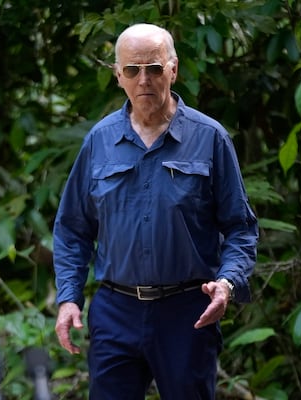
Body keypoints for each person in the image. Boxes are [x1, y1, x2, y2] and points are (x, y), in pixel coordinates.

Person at [53, 23, 258, 400]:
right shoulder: (100, 140)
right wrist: (68, 298)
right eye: (132, 70)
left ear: (173, 69)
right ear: (119, 76)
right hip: (115, 310)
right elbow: (72, 229)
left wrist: (226, 284)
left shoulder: (209, 138)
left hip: (187, 312)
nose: (143, 79)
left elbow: (241, 228)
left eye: (154, 68)